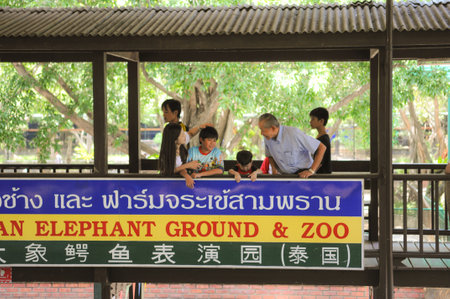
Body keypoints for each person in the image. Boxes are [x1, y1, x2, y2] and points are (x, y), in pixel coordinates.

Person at [258, 113, 326, 178]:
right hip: (285, 177)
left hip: (303, 176)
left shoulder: (294, 133)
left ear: (273, 128)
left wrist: (311, 171)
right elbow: (270, 155)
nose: (261, 133)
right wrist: (274, 170)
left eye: (263, 130)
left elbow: (322, 147)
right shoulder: (267, 138)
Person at [158, 123, 200, 188]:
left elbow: (180, 168)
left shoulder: (181, 147)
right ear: (174, 138)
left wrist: (186, 175)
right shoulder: (167, 153)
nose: (185, 136)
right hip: (168, 186)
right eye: (182, 134)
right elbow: (169, 171)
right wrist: (188, 165)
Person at [309, 107, 332, 173]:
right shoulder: (320, 137)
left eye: (313, 119)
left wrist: (310, 172)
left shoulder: (324, 139)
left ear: (321, 121)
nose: (310, 121)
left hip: (323, 175)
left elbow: (320, 162)